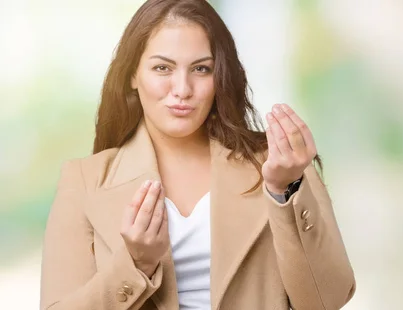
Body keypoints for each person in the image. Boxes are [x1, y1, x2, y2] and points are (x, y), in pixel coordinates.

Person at [40, 0, 355, 309]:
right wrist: (136, 264)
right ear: (133, 75)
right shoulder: (84, 180)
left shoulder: (278, 165)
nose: (182, 89)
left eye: (201, 69)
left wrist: (284, 191)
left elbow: (327, 301)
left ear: (219, 77)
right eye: (162, 68)